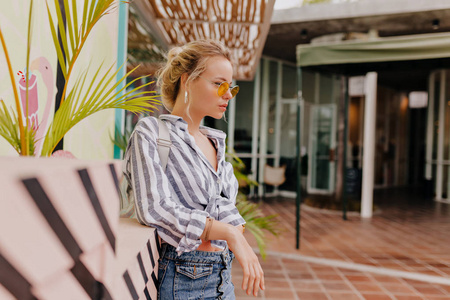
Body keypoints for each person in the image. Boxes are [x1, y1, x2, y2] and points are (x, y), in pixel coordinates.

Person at [123, 39, 264, 299]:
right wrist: (228, 232)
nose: (227, 94)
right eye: (219, 84)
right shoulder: (152, 132)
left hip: (223, 275)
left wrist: (231, 232)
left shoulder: (216, 144)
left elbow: (228, 211)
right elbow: (153, 208)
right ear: (187, 81)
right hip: (183, 279)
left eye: (231, 87)